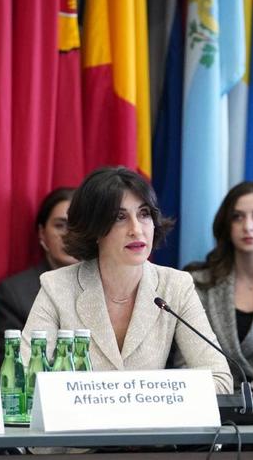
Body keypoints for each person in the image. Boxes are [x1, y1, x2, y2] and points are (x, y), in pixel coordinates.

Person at [20, 167, 233, 393]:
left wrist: (144, 397)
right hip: (81, 416)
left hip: (152, 416)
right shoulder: (58, 287)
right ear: (94, 228)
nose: (136, 230)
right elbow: (25, 379)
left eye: (144, 214)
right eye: (119, 217)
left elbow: (220, 380)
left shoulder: (175, 285)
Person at [185, 182, 253, 398]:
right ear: (226, 225)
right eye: (237, 217)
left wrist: (250, 395)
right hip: (212, 402)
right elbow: (185, 361)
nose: (248, 226)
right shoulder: (197, 282)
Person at [0, 187, 77, 360]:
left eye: (78, 226)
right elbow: (12, 363)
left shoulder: (106, 287)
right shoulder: (13, 294)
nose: (69, 235)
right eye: (60, 225)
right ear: (42, 234)